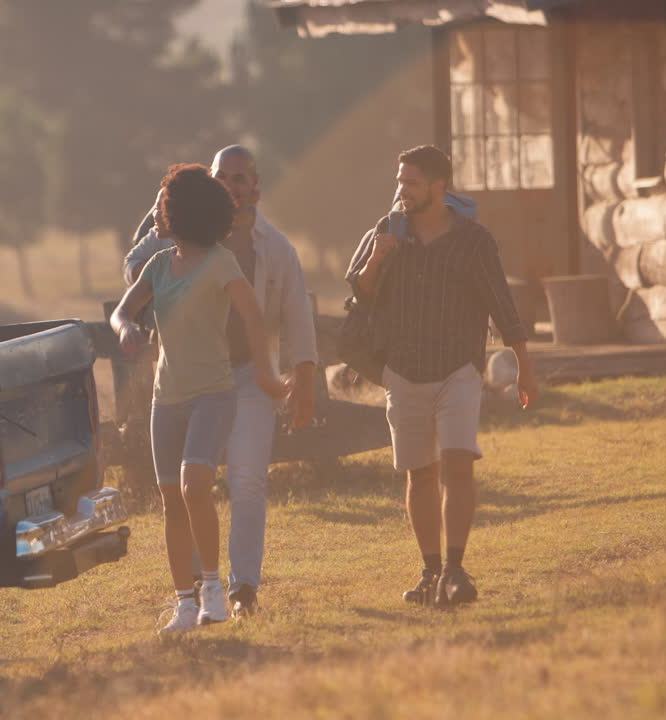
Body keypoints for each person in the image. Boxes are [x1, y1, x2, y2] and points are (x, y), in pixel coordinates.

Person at [124, 145, 319, 616]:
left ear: (256, 187)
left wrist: (302, 381)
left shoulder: (274, 248)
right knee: (190, 485)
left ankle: (242, 587)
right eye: (222, 177)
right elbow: (135, 273)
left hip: (249, 376)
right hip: (190, 377)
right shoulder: (181, 234)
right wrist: (160, 219)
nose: (231, 186)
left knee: (247, 480)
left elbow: (297, 317)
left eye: (239, 178)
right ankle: (194, 581)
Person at [345, 145, 538, 607]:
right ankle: (431, 571)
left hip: (458, 368)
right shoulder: (386, 231)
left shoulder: (474, 241)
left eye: (410, 182)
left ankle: (455, 569)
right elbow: (360, 292)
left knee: (457, 463)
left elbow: (503, 308)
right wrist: (378, 258)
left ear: (438, 186)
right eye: (399, 181)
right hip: (404, 370)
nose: (401, 191)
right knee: (420, 474)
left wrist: (525, 370)